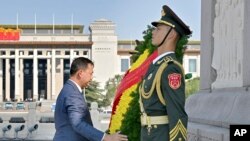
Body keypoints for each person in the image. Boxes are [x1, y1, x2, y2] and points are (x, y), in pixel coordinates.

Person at [139, 5, 192, 141]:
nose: (153, 32)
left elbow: (177, 114)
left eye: (158, 29)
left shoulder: (170, 68)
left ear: (172, 34)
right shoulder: (156, 66)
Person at [53, 57, 128, 141]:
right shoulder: (72, 93)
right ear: (80, 73)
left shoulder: (69, 89)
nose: (92, 77)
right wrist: (107, 137)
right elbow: (78, 123)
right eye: (90, 73)